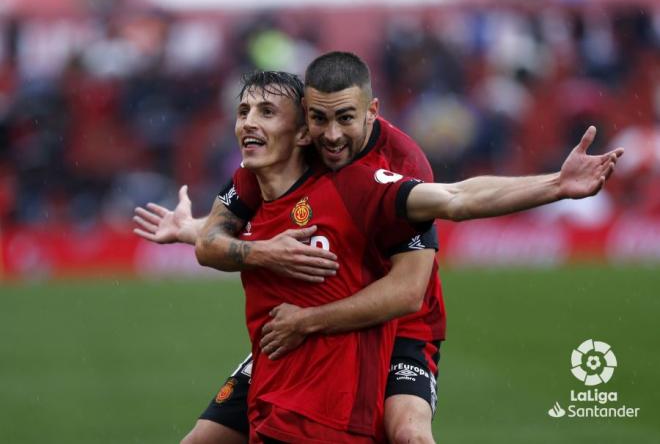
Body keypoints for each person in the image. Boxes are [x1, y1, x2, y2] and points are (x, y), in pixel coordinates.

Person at [134, 56, 623, 443]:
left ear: (372, 110)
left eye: (344, 119)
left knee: (407, 432)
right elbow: (243, 229)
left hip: (396, 322)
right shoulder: (279, 152)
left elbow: (412, 282)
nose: (331, 135)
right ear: (305, 119)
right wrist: (205, 232)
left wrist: (556, 184)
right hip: (315, 313)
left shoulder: (398, 166)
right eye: (319, 118)